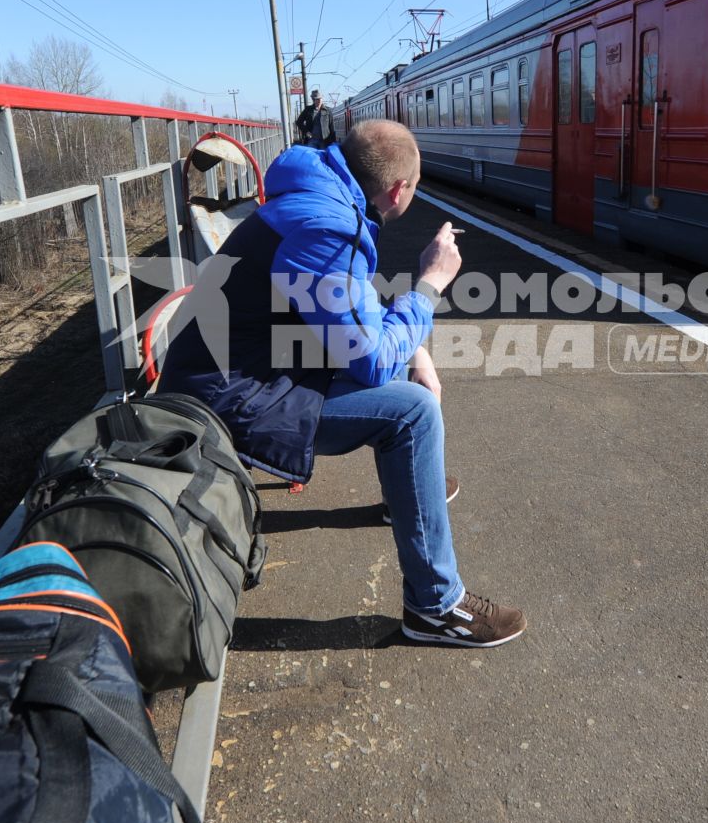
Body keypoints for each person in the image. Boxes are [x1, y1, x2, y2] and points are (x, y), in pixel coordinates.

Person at [157, 119, 527, 648]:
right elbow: (370, 360)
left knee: (404, 371)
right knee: (412, 410)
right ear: (398, 190)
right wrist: (429, 284)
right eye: (415, 189)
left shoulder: (320, 197)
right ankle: (435, 606)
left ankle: (409, 497)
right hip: (229, 397)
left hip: (247, 369)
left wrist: (415, 346)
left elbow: (349, 315)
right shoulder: (328, 229)